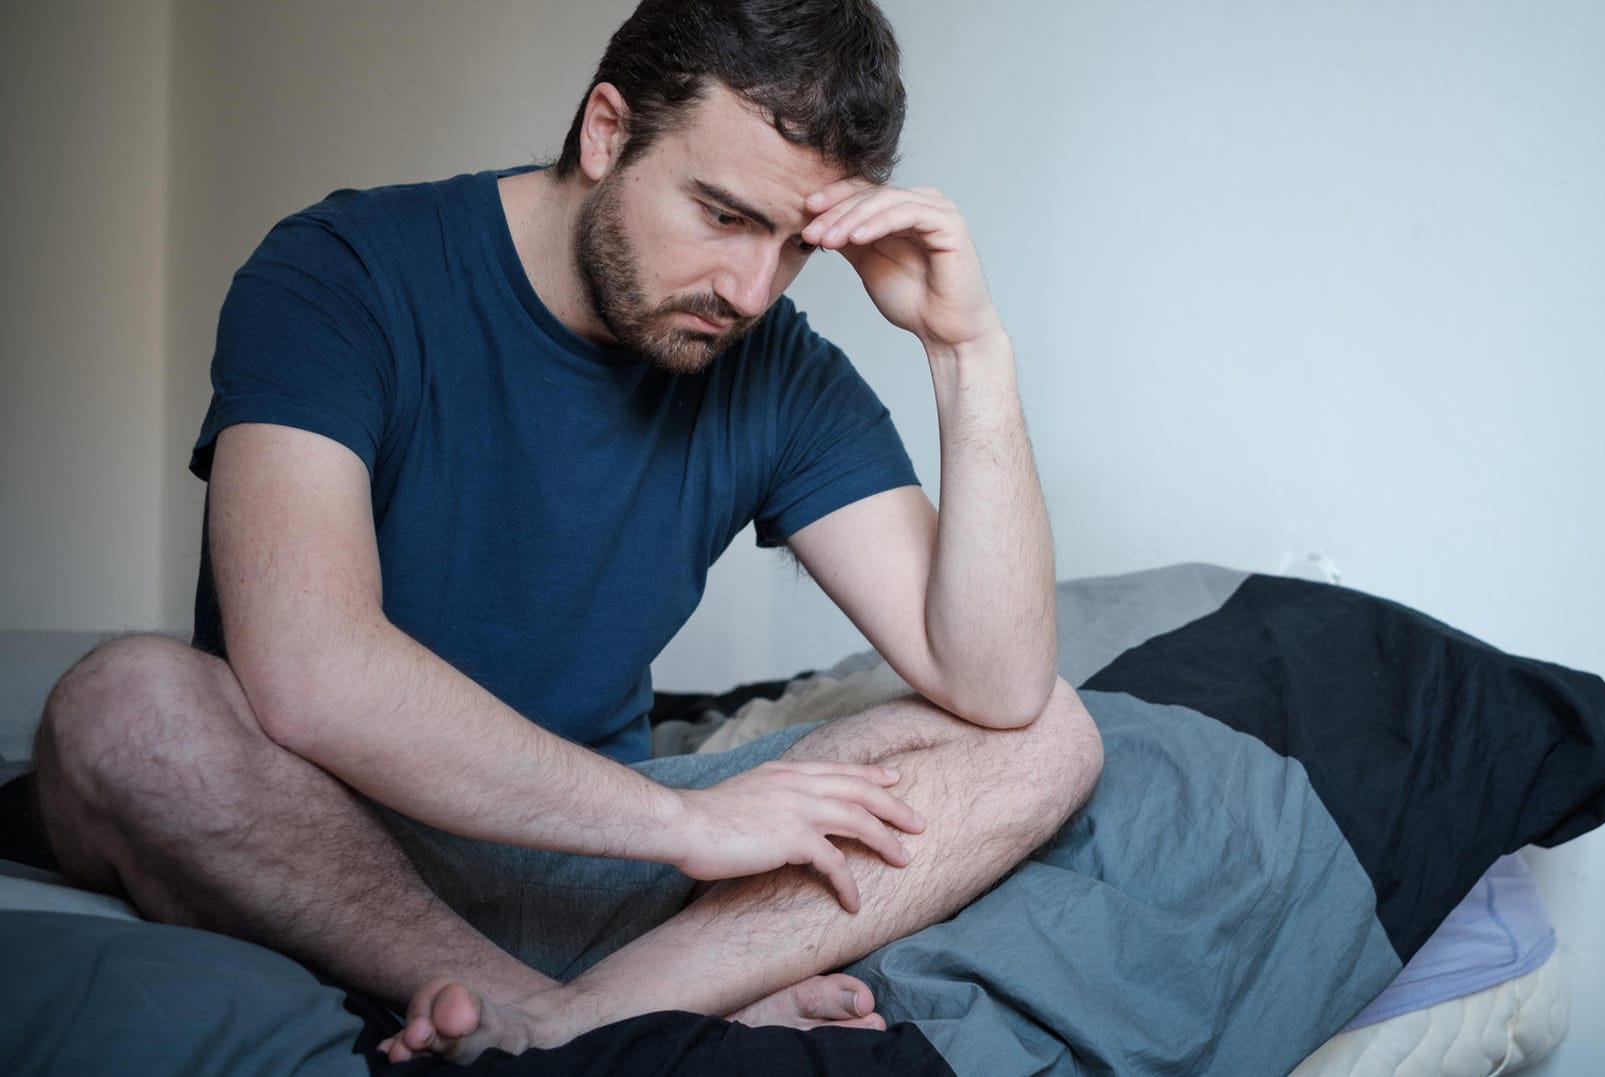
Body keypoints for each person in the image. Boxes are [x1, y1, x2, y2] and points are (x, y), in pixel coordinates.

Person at [31, 0, 1102, 1063]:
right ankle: (592, 1006)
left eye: (793, 245)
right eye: (724, 215)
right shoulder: (342, 271)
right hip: (321, 838)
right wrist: (687, 825)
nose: (749, 288)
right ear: (605, 131)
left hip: (590, 860)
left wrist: (969, 350)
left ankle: (570, 1020)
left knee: (1051, 735)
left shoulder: (775, 364)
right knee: (127, 709)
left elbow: (996, 683)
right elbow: (307, 669)